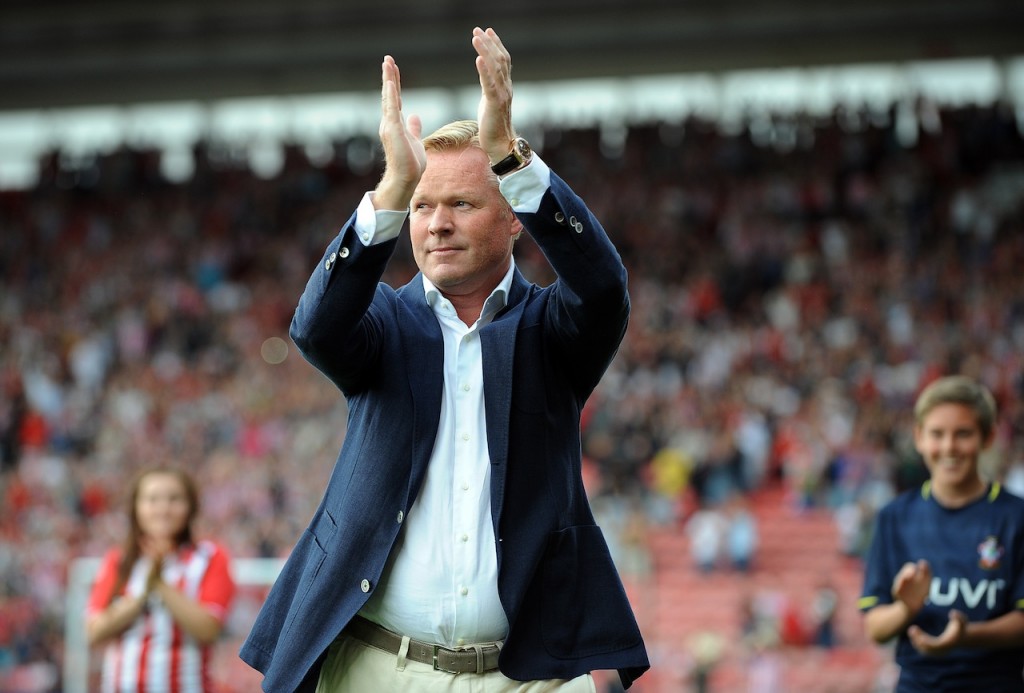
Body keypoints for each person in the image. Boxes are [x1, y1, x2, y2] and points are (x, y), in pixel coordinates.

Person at [239, 26, 649, 693]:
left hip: (531, 677)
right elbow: (314, 328)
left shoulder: (554, 329)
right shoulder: (382, 325)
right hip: (377, 668)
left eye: (461, 202)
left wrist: (512, 158)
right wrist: (392, 189)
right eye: (425, 207)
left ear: (514, 216)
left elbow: (603, 285)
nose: (436, 224)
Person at [858, 375, 1024, 691]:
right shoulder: (895, 517)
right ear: (919, 437)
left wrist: (967, 636)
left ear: (987, 437)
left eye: (963, 434)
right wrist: (907, 608)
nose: (949, 447)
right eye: (937, 434)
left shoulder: (1016, 517)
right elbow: (875, 627)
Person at [86, 466, 237, 692]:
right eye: (152, 499)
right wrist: (141, 598)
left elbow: (208, 628)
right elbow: (94, 631)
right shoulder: (118, 561)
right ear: (136, 507)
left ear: (190, 506)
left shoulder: (211, 557)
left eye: (174, 499)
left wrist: (160, 586)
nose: (163, 509)